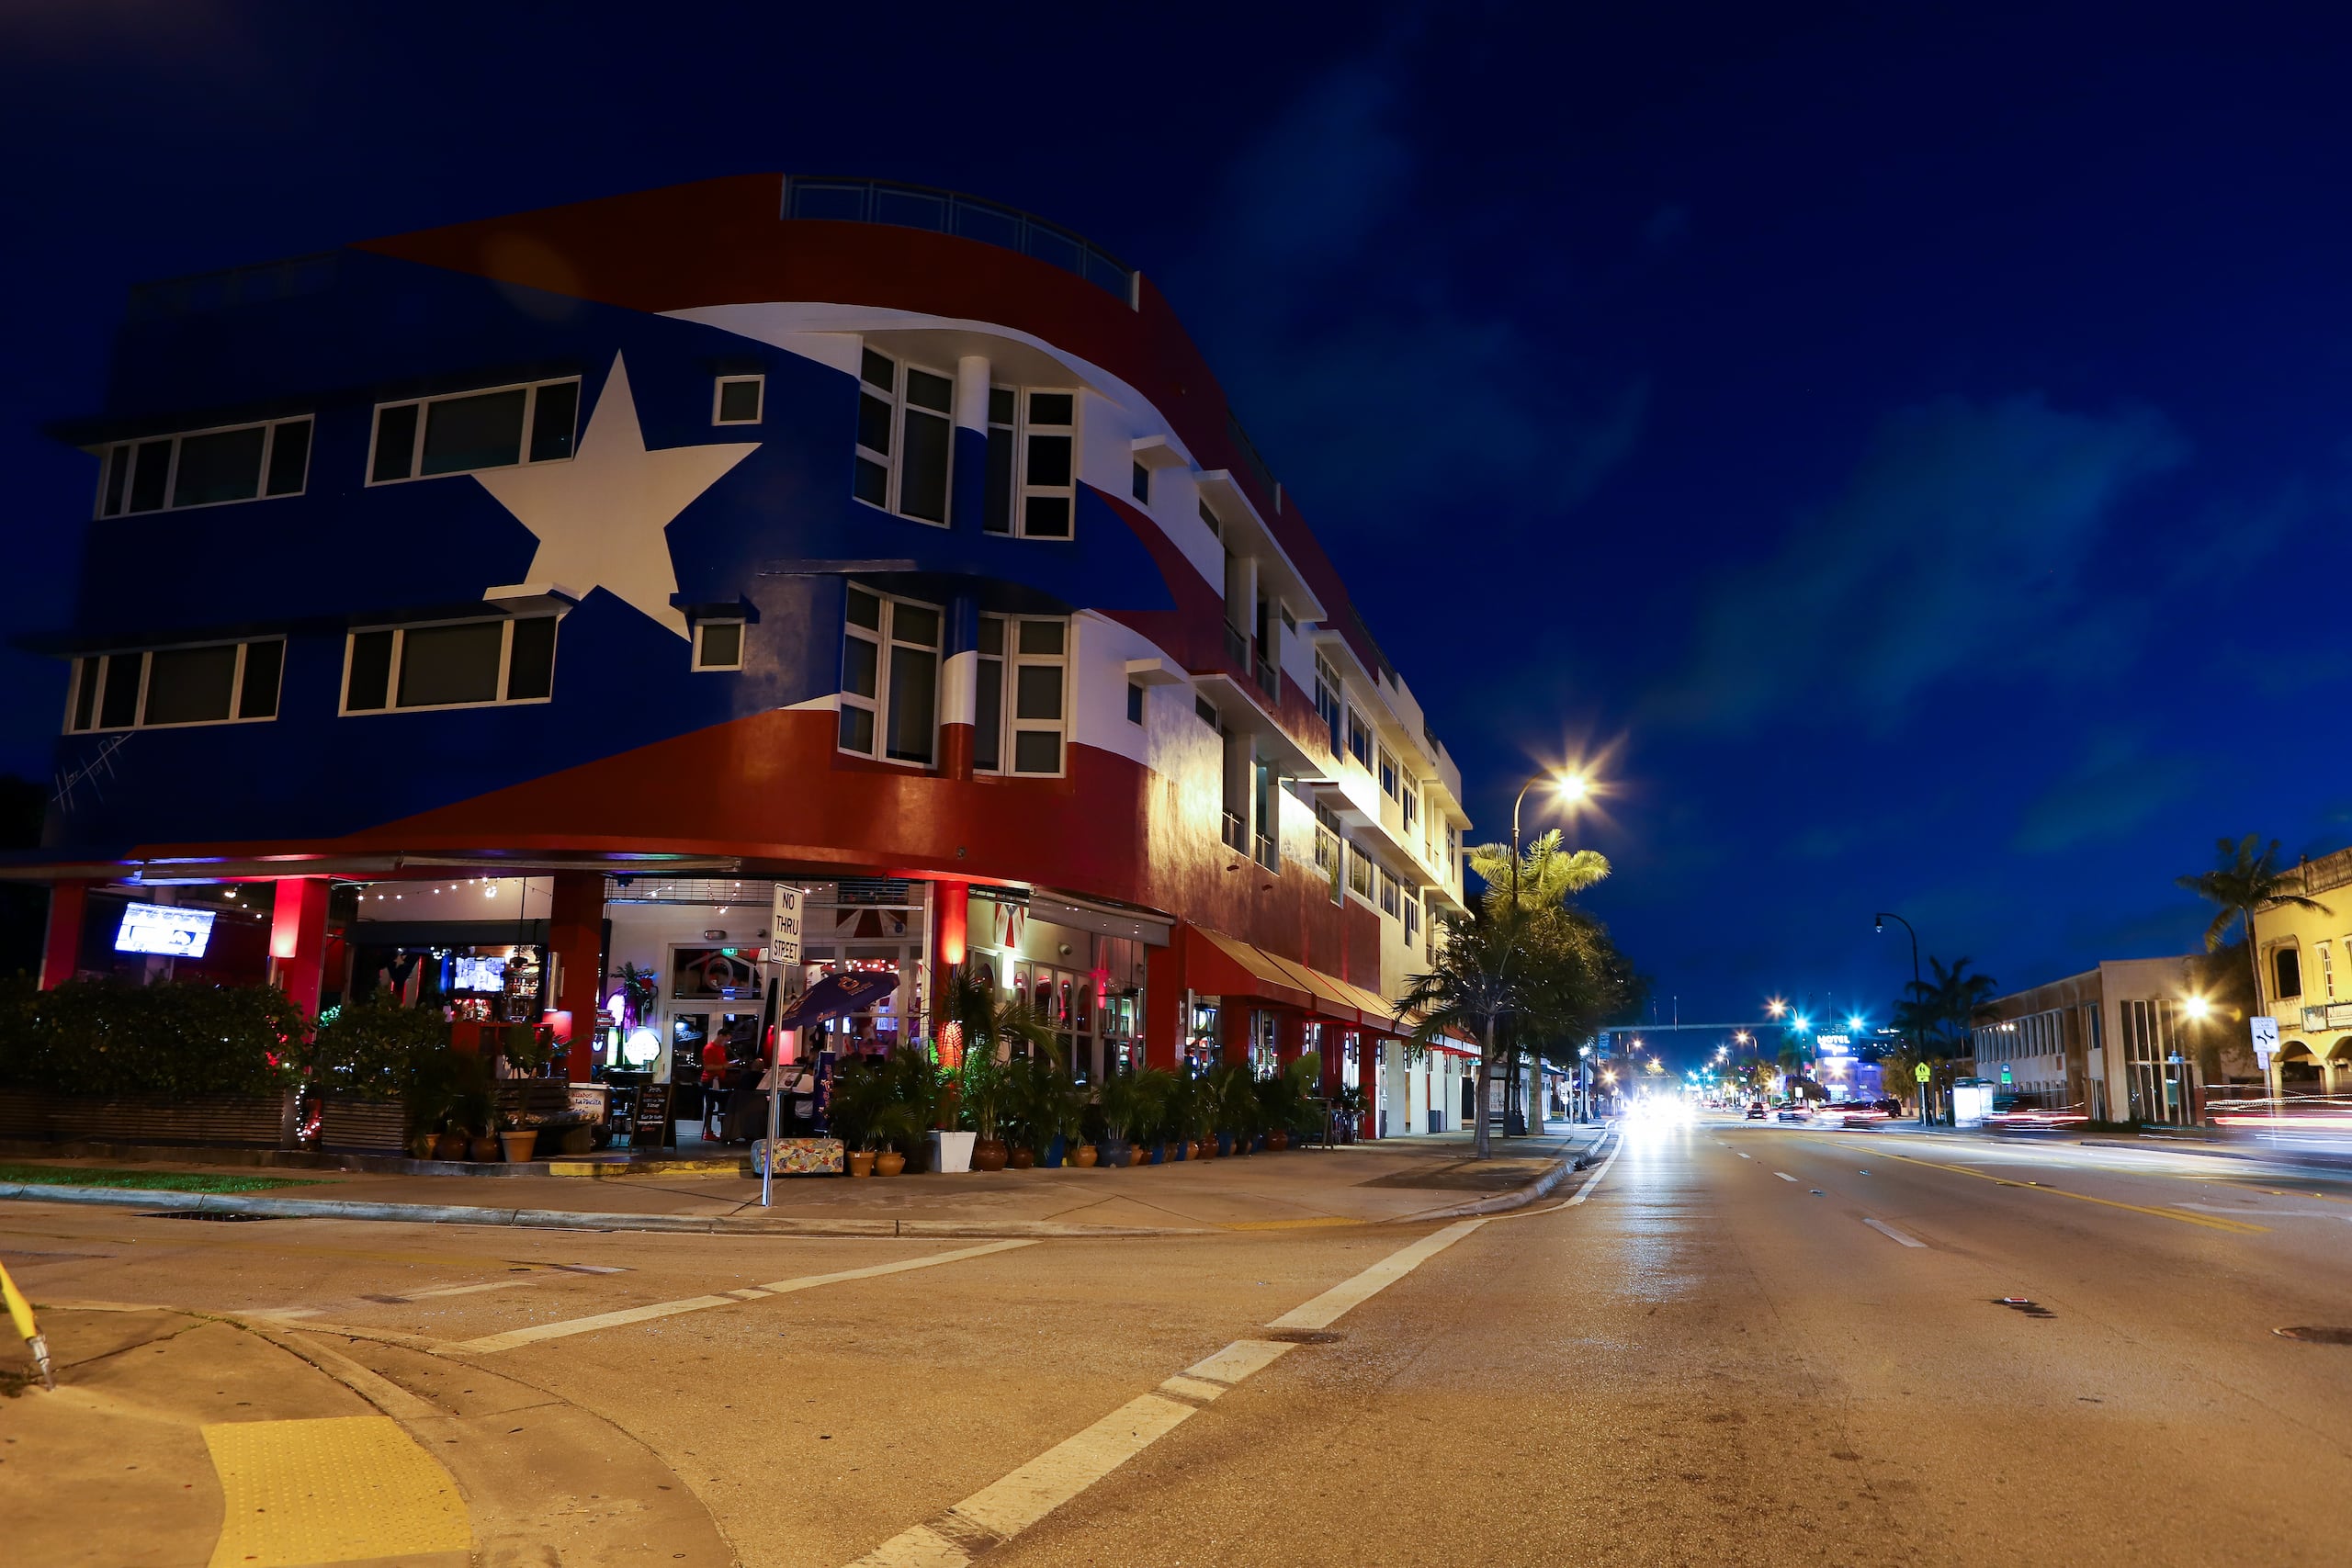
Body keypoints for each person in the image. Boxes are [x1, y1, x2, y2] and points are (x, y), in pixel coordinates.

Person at [700, 1028, 731, 1139]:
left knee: (723, 1105)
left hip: (719, 1080)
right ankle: (708, 1132)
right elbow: (708, 1067)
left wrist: (727, 1064)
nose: (727, 1042)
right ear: (721, 1036)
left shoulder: (721, 1048)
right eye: (726, 1039)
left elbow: (721, 1062)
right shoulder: (709, 1048)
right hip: (709, 1080)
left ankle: (724, 1132)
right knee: (710, 1105)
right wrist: (723, 1066)